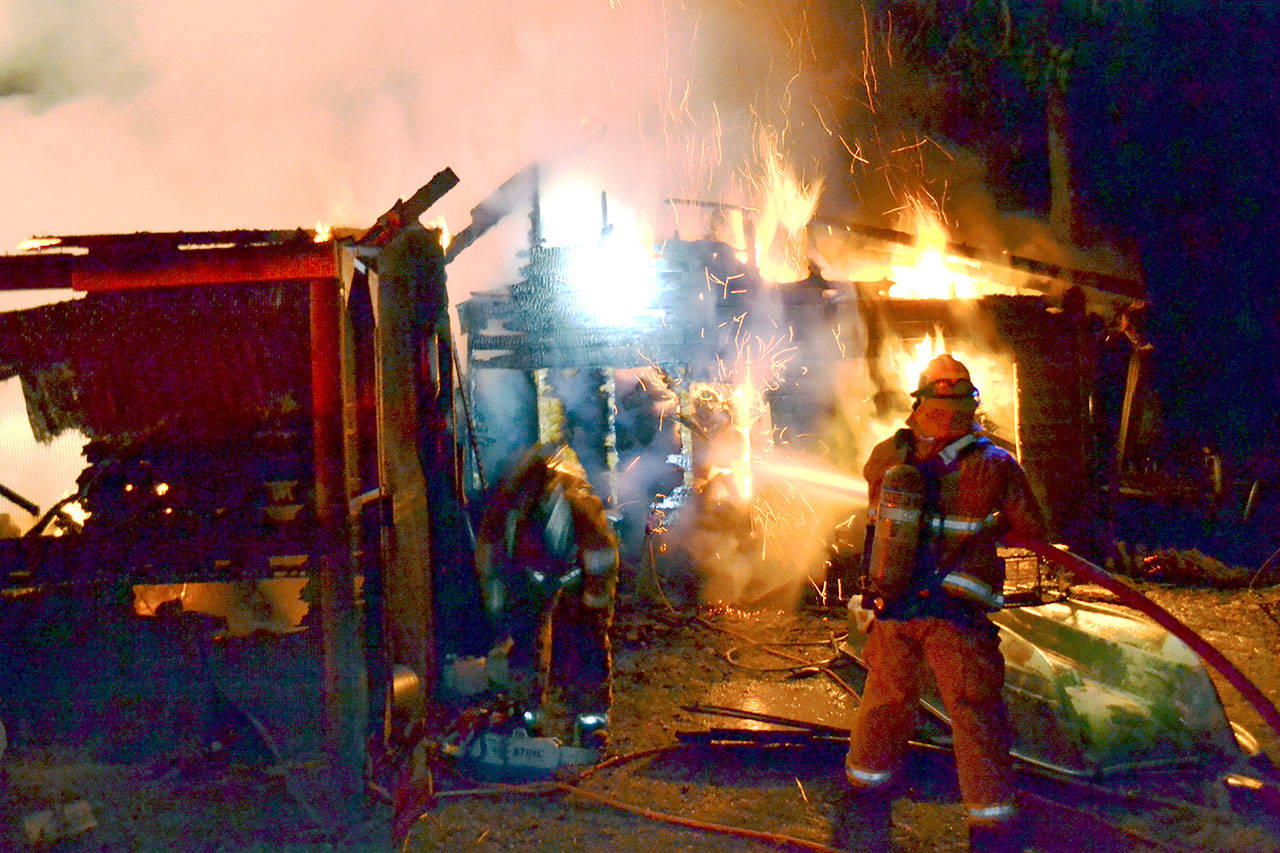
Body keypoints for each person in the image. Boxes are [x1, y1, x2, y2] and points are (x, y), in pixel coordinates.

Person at [841, 354, 1046, 852]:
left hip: (895, 605)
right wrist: (992, 523)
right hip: (956, 611)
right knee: (973, 710)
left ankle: (865, 790)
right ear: (971, 403)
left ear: (920, 401)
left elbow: (877, 517)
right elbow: (1035, 531)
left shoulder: (886, 455)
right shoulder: (996, 463)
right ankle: (991, 819)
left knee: (886, 700)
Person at [473, 443, 619, 746]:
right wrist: (498, 606)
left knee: (588, 639)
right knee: (525, 639)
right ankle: (524, 715)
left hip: (577, 571)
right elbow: (489, 560)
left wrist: (594, 602)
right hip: (528, 573)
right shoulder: (505, 510)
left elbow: (602, 558)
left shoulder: (578, 507)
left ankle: (591, 722)